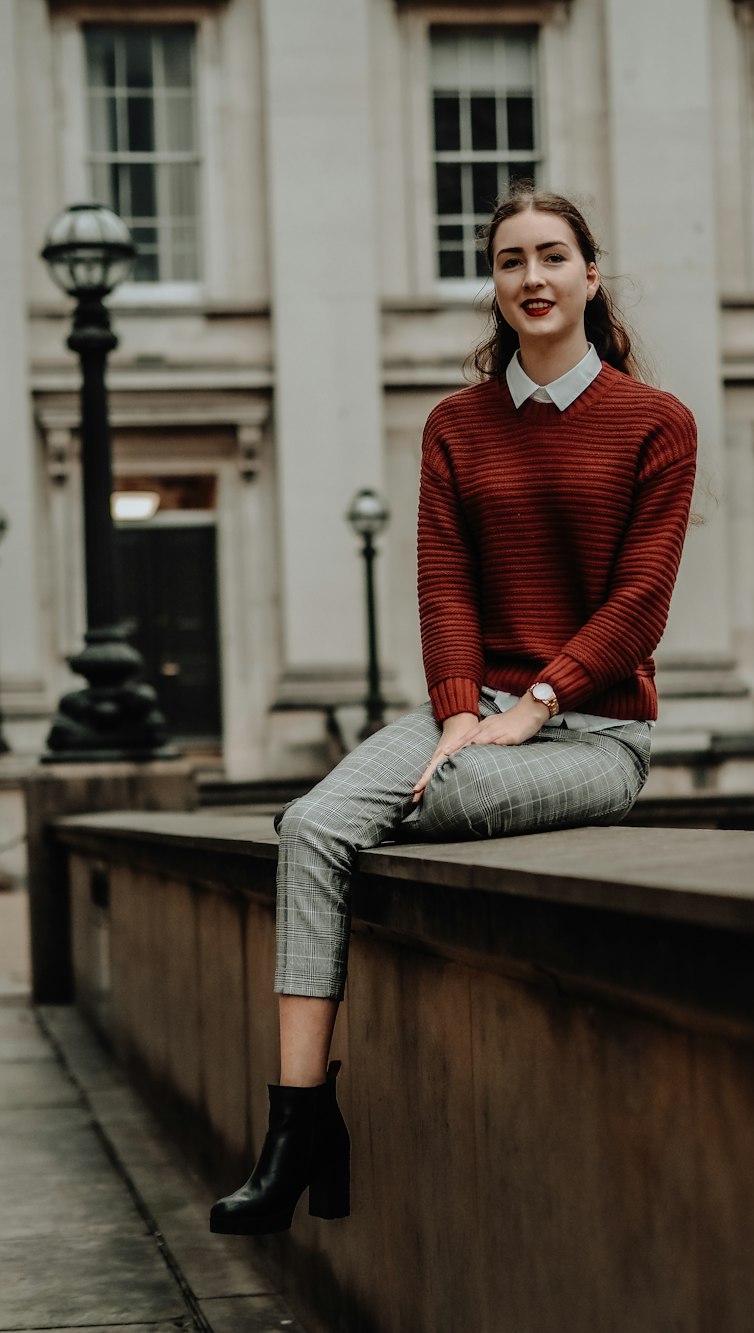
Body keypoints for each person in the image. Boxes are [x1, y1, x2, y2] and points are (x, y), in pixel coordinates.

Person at [209, 185, 698, 1236]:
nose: (533, 277)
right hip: (465, 722)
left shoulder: (656, 423)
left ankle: (306, 1133)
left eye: (553, 256)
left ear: (590, 274)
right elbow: (445, 586)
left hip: (597, 734)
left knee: (404, 805)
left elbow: (639, 602)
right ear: (495, 281)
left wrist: (531, 705)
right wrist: (453, 711)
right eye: (511, 259)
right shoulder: (454, 426)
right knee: (309, 825)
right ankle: (299, 1125)